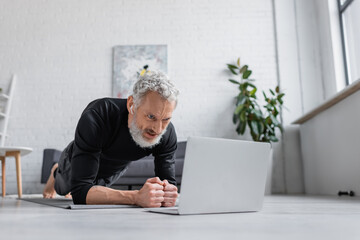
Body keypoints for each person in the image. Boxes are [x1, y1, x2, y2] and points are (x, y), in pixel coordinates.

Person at [43, 70, 179, 208]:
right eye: (151, 117)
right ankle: (56, 171)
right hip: (77, 158)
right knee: (63, 189)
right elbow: (80, 194)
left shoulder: (167, 134)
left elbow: (168, 186)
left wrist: (167, 194)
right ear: (132, 104)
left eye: (166, 119)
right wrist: (136, 197)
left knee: (96, 196)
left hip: (116, 166)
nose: (158, 129)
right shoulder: (97, 116)